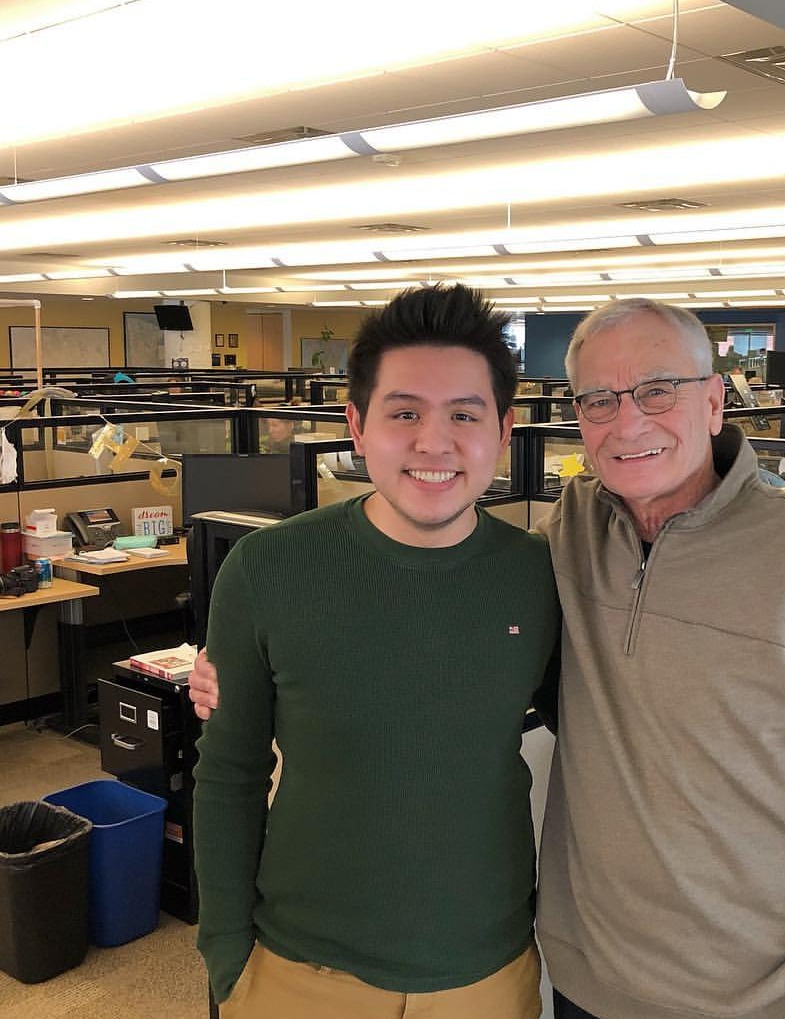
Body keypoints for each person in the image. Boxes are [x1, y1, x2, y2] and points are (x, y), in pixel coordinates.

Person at [193, 297, 785, 1019]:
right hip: (578, 975)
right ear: (357, 425)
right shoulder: (564, 541)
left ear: (714, 401)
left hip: (743, 995)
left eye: (657, 390)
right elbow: (250, 760)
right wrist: (225, 954)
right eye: (600, 399)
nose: (629, 420)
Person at [192, 284, 560, 1019]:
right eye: (404, 413)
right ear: (357, 426)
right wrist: (226, 958)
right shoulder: (266, 570)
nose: (434, 441)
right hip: (298, 969)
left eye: (464, 413)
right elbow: (228, 775)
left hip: (485, 973)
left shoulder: (540, 576)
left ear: (504, 428)